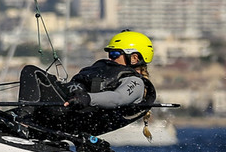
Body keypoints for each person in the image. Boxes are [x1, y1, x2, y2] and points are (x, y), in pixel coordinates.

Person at [16, 30, 157, 136]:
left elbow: (117, 98)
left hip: (72, 114)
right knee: (32, 76)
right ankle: (22, 120)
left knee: (31, 71)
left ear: (134, 58)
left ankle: (23, 124)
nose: (110, 58)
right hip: (63, 106)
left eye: (115, 54)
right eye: (110, 54)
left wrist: (87, 98)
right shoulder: (107, 70)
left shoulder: (136, 83)